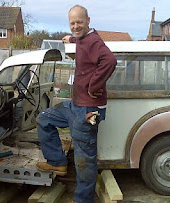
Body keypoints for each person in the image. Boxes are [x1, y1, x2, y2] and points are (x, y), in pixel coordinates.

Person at [36, 5, 117, 203]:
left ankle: (82, 200)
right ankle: (57, 162)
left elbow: (110, 60)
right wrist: (70, 39)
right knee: (43, 119)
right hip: (75, 105)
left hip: (87, 110)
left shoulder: (94, 41)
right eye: (72, 23)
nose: (75, 26)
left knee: (84, 160)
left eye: (79, 22)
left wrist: (93, 86)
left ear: (88, 20)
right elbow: (80, 40)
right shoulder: (83, 39)